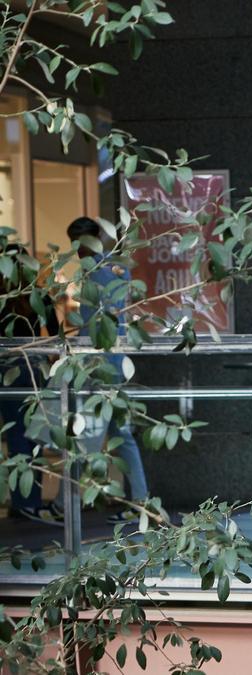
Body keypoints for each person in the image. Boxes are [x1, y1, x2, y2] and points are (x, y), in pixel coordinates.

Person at [65, 217, 149, 524]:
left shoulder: (96, 271)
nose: (80, 251)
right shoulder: (115, 268)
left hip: (100, 366)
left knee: (84, 432)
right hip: (112, 363)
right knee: (120, 434)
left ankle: (74, 500)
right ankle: (140, 502)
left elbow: (99, 321)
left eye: (81, 244)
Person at [1, 243, 63, 524]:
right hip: (31, 369)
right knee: (30, 433)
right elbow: (54, 332)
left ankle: (23, 500)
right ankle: (30, 500)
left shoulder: (3, 297)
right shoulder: (38, 295)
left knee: (15, 434)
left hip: (6, 369)